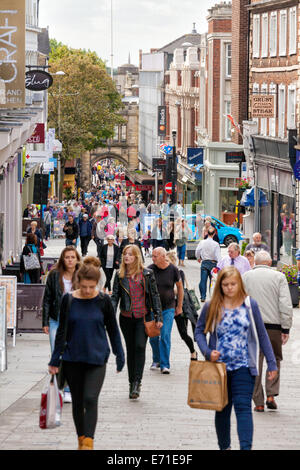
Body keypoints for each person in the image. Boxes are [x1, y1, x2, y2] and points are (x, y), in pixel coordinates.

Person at [195, 266, 278, 450]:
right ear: (220, 285)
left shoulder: (250, 305)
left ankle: (245, 447)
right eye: (225, 285)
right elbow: (199, 331)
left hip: (244, 366)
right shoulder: (212, 305)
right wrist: (207, 352)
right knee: (222, 410)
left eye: (233, 284)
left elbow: (262, 334)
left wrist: (272, 363)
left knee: (243, 407)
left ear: (239, 284)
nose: (230, 288)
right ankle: (225, 447)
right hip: (219, 368)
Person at [48, 259, 125, 450]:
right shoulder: (69, 300)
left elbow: (113, 330)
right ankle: (81, 437)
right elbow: (62, 331)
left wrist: (119, 354)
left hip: (97, 358)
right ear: (78, 282)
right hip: (73, 358)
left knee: (90, 398)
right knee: (78, 401)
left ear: (97, 283)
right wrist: (54, 359)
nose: (88, 291)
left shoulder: (103, 301)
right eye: (84, 287)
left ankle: (88, 444)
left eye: (92, 287)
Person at [242, 250, 293, 412]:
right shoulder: (279, 277)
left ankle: (258, 401)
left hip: (252, 326)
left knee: (254, 362)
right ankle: (271, 394)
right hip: (273, 326)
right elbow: (285, 304)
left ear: (255, 262)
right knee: (275, 358)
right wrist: (285, 327)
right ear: (270, 263)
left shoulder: (246, 277)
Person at [111, 244, 163, 399]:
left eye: (130, 254)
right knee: (131, 349)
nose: (127, 257)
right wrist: (110, 317)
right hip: (126, 318)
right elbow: (115, 297)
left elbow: (154, 296)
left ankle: (137, 383)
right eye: (125, 254)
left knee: (140, 346)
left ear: (136, 257)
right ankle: (131, 382)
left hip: (143, 318)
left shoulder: (147, 274)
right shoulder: (120, 275)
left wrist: (158, 317)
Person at [42, 246, 81, 403]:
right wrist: (45, 322)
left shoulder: (81, 275)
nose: (70, 260)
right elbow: (47, 298)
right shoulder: (54, 275)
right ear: (62, 259)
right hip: (56, 319)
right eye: (67, 257)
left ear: (77, 259)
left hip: (75, 320)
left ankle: (68, 389)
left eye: (73, 257)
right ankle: (59, 387)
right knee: (57, 353)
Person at [148, 247, 184, 374]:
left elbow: (180, 288)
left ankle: (165, 364)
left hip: (169, 307)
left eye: (155, 256)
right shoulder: (150, 269)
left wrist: (179, 306)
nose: (153, 259)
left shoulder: (173, 270)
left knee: (165, 335)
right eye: (152, 256)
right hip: (153, 308)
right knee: (153, 336)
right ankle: (156, 359)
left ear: (163, 256)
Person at [166, 251, 198, 361]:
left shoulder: (179, 273)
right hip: (166, 306)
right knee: (164, 334)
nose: (166, 264)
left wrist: (167, 289)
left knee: (183, 333)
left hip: (179, 306)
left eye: (168, 261)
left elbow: (179, 291)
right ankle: (162, 359)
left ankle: (193, 351)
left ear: (173, 261)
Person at [195, 227, 221, 302]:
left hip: (205, 262)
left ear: (207, 233)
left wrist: (198, 258)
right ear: (214, 234)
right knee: (212, 281)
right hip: (213, 263)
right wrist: (219, 265)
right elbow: (218, 256)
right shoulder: (216, 244)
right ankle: (212, 296)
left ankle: (203, 296)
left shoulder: (202, 242)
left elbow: (197, 251)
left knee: (203, 280)